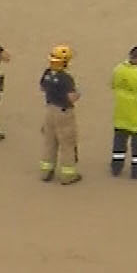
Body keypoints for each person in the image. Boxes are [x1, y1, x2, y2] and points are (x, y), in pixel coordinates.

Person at [38, 45, 81, 184]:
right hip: (63, 113)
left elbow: (42, 87)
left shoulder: (47, 73)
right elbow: (71, 98)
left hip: (49, 110)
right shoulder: (66, 78)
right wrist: (78, 94)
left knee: (49, 142)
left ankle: (46, 172)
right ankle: (68, 176)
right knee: (67, 144)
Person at [109, 46, 137, 179]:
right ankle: (136, 169)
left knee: (119, 142)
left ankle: (116, 167)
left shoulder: (118, 69)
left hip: (121, 114)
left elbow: (113, 85)